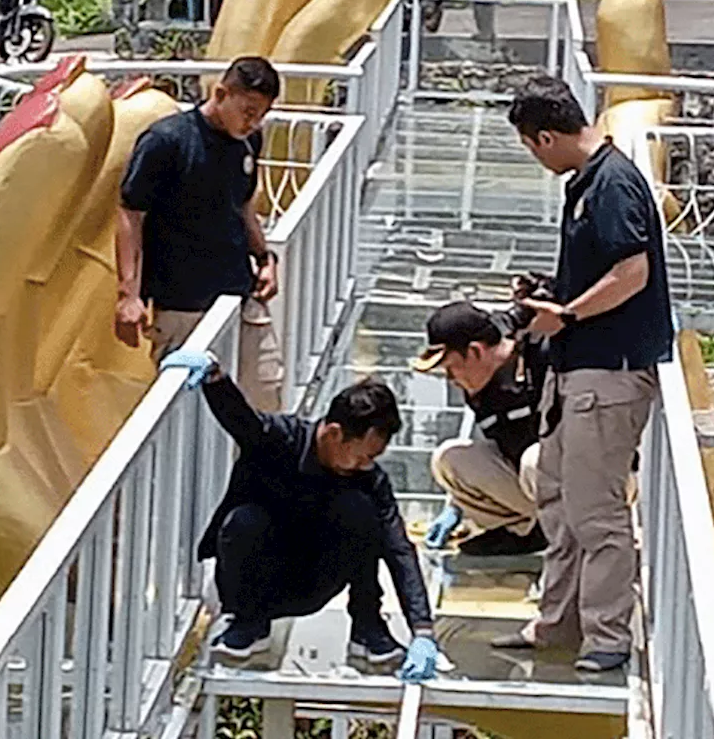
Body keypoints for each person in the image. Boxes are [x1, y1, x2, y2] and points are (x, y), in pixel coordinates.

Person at [492, 74, 673, 675]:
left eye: (530, 145)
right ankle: (557, 622)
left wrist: (564, 315)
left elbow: (632, 273)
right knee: (561, 502)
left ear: (546, 137)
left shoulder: (613, 184)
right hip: (580, 372)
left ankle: (606, 636)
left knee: (597, 513)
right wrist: (549, 295)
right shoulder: (590, 182)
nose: (533, 157)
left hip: (609, 374)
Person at [158, 348, 438, 681]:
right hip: (257, 577)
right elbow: (242, 420)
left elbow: (398, 548)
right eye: (362, 456)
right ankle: (248, 624)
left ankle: (368, 627)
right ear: (334, 433)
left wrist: (422, 630)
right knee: (244, 520)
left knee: (362, 511)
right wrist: (214, 376)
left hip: (313, 582)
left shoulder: (369, 480)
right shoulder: (281, 439)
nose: (366, 465)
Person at [117, 56, 285, 411]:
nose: (253, 122)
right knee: (187, 412)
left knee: (265, 395)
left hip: (239, 294)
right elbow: (131, 215)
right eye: (247, 111)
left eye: (261, 115)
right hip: (181, 304)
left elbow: (242, 205)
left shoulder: (249, 142)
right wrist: (128, 295)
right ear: (221, 93)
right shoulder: (167, 141)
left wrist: (265, 258)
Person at [414, 300, 549, 557]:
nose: (451, 380)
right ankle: (526, 531)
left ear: (475, 352)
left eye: (451, 368)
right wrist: (456, 507)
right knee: (449, 458)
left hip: (589, 483)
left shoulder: (538, 361)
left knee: (535, 459)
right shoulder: (479, 390)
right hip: (536, 483)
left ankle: (570, 543)